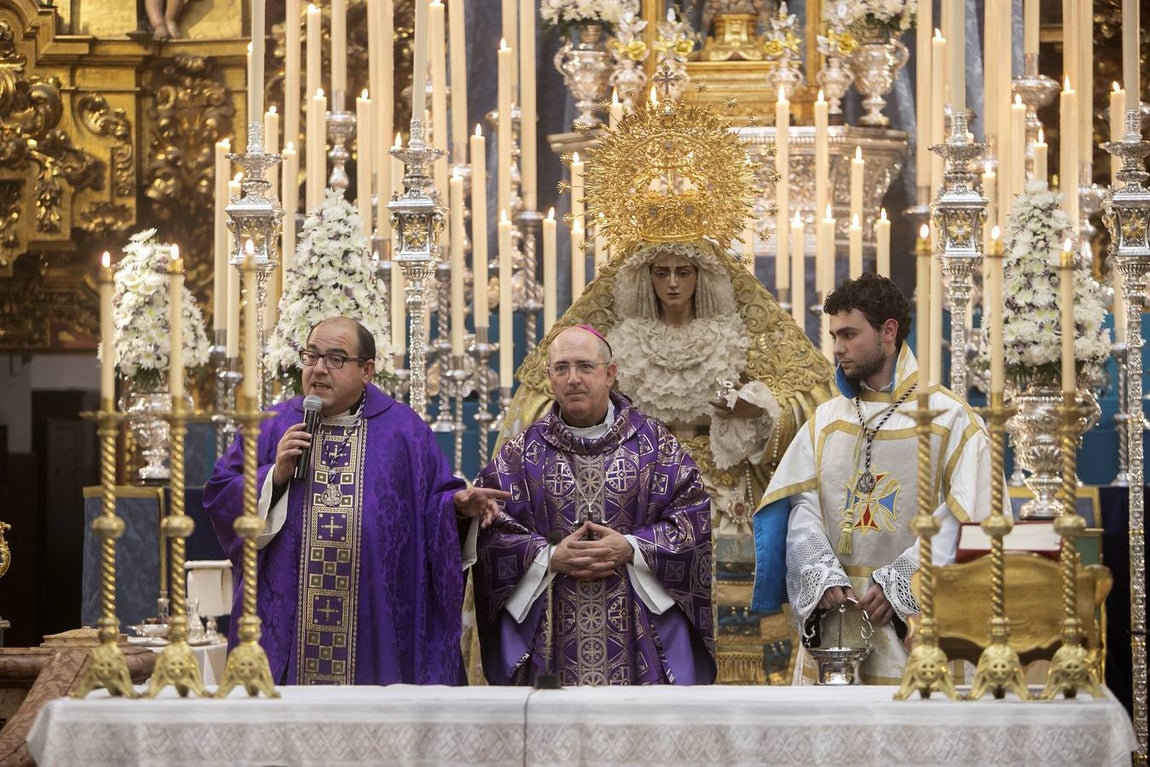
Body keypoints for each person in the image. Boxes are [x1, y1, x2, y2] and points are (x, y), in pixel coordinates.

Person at [203, 317, 506, 686]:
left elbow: (432, 507)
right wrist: (274, 476)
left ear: (367, 370)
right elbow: (221, 493)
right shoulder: (270, 425)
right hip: (285, 635)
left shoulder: (404, 432)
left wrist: (456, 508)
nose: (318, 369)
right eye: (311, 356)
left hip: (373, 634)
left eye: (335, 358)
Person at [751, 274, 993, 684]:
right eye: (834, 336)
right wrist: (821, 574)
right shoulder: (826, 421)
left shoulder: (951, 419)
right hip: (838, 626)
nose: (837, 348)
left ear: (888, 332)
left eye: (849, 334)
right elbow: (802, 507)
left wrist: (905, 580)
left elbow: (969, 517)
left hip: (917, 629)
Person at [473, 325, 716, 685]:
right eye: (561, 368)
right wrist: (547, 556)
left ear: (610, 374)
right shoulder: (521, 453)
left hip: (638, 635)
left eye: (585, 366)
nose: (573, 379)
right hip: (552, 637)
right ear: (549, 377)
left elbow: (692, 518)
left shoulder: (654, 445)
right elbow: (491, 529)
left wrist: (632, 548)